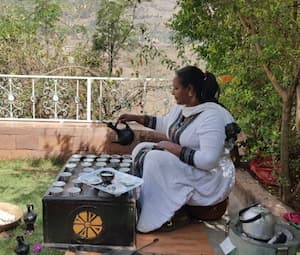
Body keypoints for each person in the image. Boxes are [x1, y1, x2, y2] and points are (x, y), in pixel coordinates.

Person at [118, 66, 239, 233]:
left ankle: (158, 217)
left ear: (189, 89)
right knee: (141, 148)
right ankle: (145, 202)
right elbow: (166, 124)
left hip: (209, 177)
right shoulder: (183, 108)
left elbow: (209, 160)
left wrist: (174, 148)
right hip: (191, 166)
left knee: (155, 158)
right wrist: (136, 118)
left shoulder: (212, 117)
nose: (173, 93)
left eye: (176, 88)